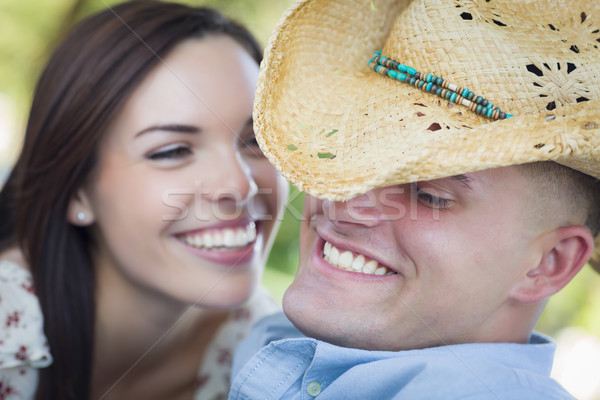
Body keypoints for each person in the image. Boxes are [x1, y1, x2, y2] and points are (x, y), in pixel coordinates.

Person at [229, 0, 600, 398]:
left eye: (428, 195)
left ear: (549, 262)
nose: (347, 204)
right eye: (352, 155)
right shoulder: (253, 338)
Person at [0, 1, 288, 399]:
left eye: (256, 140)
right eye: (172, 151)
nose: (240, 186)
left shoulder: (266, 354)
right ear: (76, 190)